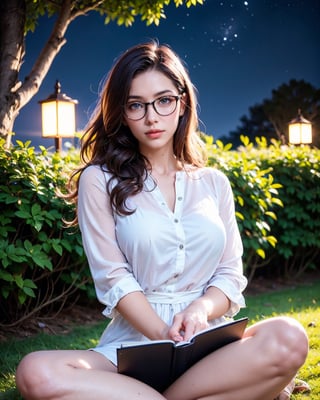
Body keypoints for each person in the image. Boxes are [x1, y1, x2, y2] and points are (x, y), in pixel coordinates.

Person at [16, 41, 309, 400]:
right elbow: (113, 277)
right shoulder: (99, 180)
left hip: (209, 343)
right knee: (36, 373)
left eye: (163, 100)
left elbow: (230, 275)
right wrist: (163, 335)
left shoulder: (213, 183)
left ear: (182, 103)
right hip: (135, 346)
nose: (151, 117)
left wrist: (200, 310)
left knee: (289, 337)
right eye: (136, 105)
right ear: (122, 113)